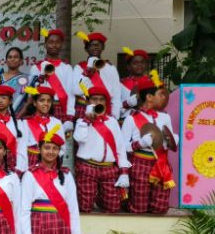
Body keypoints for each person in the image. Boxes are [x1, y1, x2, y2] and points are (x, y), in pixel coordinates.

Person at [121, 74, 177, 214]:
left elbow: (170, 139)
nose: (163, 97)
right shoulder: (131, 119)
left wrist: (173, 140)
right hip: (140, 163)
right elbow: (121, 148)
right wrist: (140, 143)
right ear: (149, 97)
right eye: (160, 94)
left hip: (161, 163)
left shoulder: (165, 117)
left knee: (160, 208)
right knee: (138, 208)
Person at [73, 86, 130, 213]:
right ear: (88, 102)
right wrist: (87, 120)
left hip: (109, 168)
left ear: (105, 102)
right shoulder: (82, 121)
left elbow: (120, 149)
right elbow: (79, 138)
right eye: (94, 99)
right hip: (87, 167)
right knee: (85, 207)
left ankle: (100, 201)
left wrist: (124, 172)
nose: (98, 102)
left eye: (101, 99)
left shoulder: (113, 122)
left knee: (113, 208)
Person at [28, 29, 77, 129]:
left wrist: (69, 116)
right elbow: (31, 93)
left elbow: (70, 93)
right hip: (40, 108)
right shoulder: (36, 67)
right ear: (45, 45)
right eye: (51, 42)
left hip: (60, 108)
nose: (54, 45)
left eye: (57, 42)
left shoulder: (67, 67)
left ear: (61, 45)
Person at [72, 32, 122, 119]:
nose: (95, 46)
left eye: (98, 44)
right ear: (86, 49)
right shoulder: (79, 67)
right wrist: (88, 71)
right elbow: (77, 91)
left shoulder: (111, 68)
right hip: (85, 110)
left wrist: (115, 116)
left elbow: (116, 95)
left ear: (103, 47)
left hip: (106, 110)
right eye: (92, 45)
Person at [16, 86, 66, 172]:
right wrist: (22, 169)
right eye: (42, 100)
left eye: (49, 101)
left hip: (51, 163)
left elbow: (62, 148)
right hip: (31, 163)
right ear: (34, 103)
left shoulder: (57, 122)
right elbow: (21, 149)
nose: (46, 103)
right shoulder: (25, 122)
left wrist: (51, 160)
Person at [0, 47, 30, 115]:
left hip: (20, 116)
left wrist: (19, 115)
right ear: (6, 61)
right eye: (10, 57)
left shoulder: (27, 79)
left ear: (21, 61)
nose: (12, 59)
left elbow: (29, 100)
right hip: (0, 116)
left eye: (16, 57)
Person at [119, 47, 150, 119]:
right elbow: (115, 109)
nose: (139, 65)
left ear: (146, 65)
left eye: (142, 62)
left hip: (148, 120)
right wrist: (128, 103)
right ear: (128, 66)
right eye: (135, 63)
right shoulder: (120, 84)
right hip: (126, 121)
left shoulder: (152, 83)